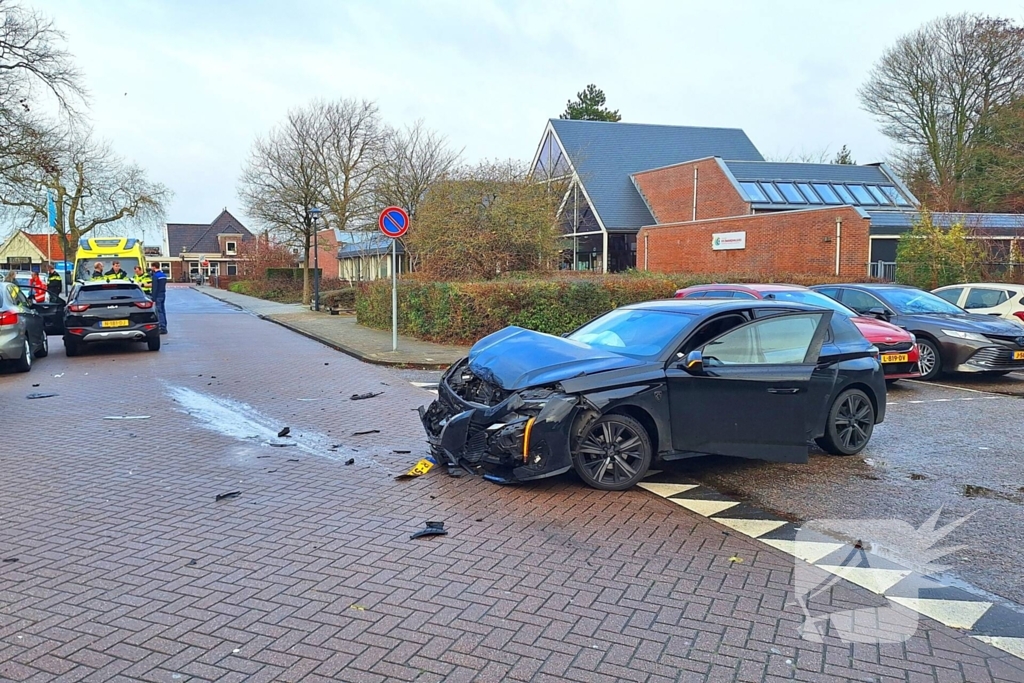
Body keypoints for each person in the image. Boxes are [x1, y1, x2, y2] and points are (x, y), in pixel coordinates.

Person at [150, 262, 167, 334]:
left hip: (157, 295)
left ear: (154, 267)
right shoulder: (163, 275)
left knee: (159, 311)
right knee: (163, 310)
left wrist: (153, 298)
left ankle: (162, 328)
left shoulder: (155, 276)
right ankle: (164, 325)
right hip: (163, 294)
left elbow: (155, 288)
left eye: (151, 267)